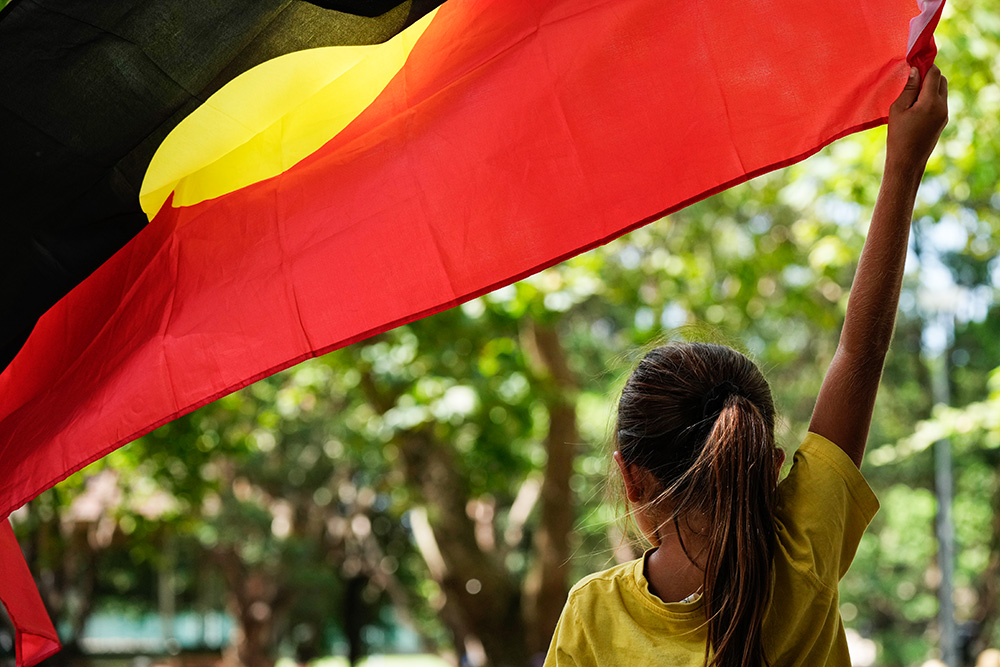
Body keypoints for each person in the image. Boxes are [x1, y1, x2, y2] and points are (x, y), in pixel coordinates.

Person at [543, 65, 949, 667]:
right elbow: (859, 356)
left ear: (630, 479)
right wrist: (903, 166)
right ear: (769, 464)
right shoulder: (803, 554)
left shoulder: (592, 618)